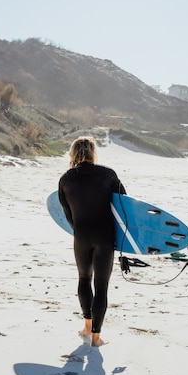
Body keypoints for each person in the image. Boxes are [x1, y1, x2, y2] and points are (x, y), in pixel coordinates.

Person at [58, 136, 126, 346]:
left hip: (81, 237)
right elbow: (124, 207)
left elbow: (68, 215)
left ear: (73, 152)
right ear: (93, 152)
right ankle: (96, 337)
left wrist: (80, 231)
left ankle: (87, 326)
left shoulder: (66, 180)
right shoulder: (108, 175)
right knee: (101, 286)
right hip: (105, 237)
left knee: (83, 280)